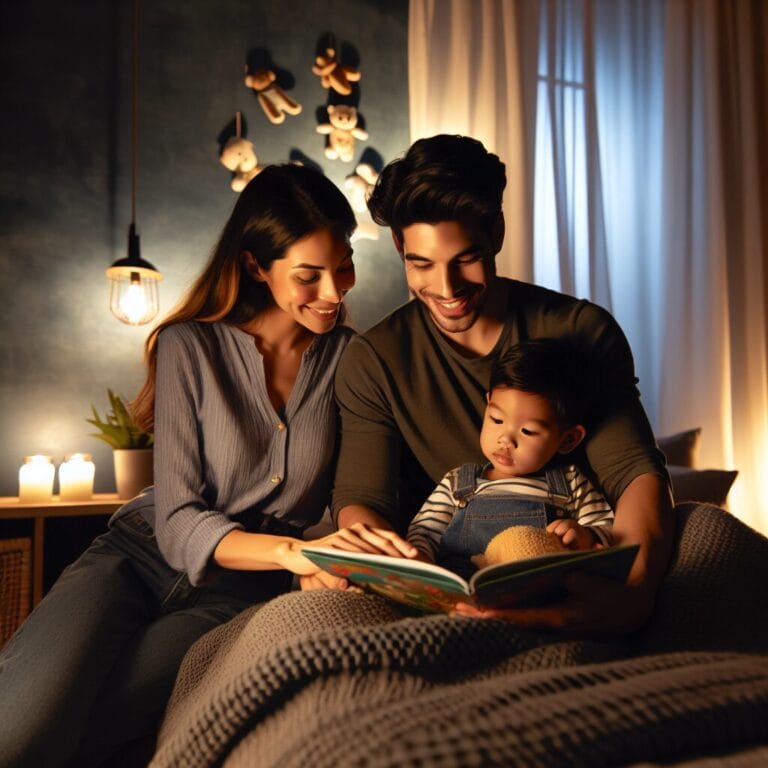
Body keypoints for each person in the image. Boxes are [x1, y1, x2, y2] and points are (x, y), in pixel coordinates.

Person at [0, 164, 412, 768]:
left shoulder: (349, 359)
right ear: (255, 266)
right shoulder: (188, 346)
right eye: (309, 275)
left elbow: (349, 491)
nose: (335, 292)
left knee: (89, 729)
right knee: (19, 729)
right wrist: (292, 555)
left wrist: (328, 550)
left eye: (343, 264)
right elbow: (176, 515)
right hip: (134, 558)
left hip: (237, 595)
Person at [322, 134, 675, 635]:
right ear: (400, 246)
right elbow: (364, 501)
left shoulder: (582, 331)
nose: (447, 291)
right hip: (448, 583)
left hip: (570, 575)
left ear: (497, 232)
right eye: (420, 264)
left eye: (466, 258)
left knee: (709, 531)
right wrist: (404, 576)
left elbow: (634, 471)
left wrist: (636, 592)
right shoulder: (373, 360)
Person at [407, 338, 614, 579]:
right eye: (496, 419)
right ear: (487, 405)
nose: (506, 440)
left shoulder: (570, 483)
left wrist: (585, 535)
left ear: (568, 439)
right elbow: (424, 531)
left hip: (537, 587)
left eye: (528, 432)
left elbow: (609, 529)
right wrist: (419, 559)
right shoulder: (457, 483)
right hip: (464, 587)